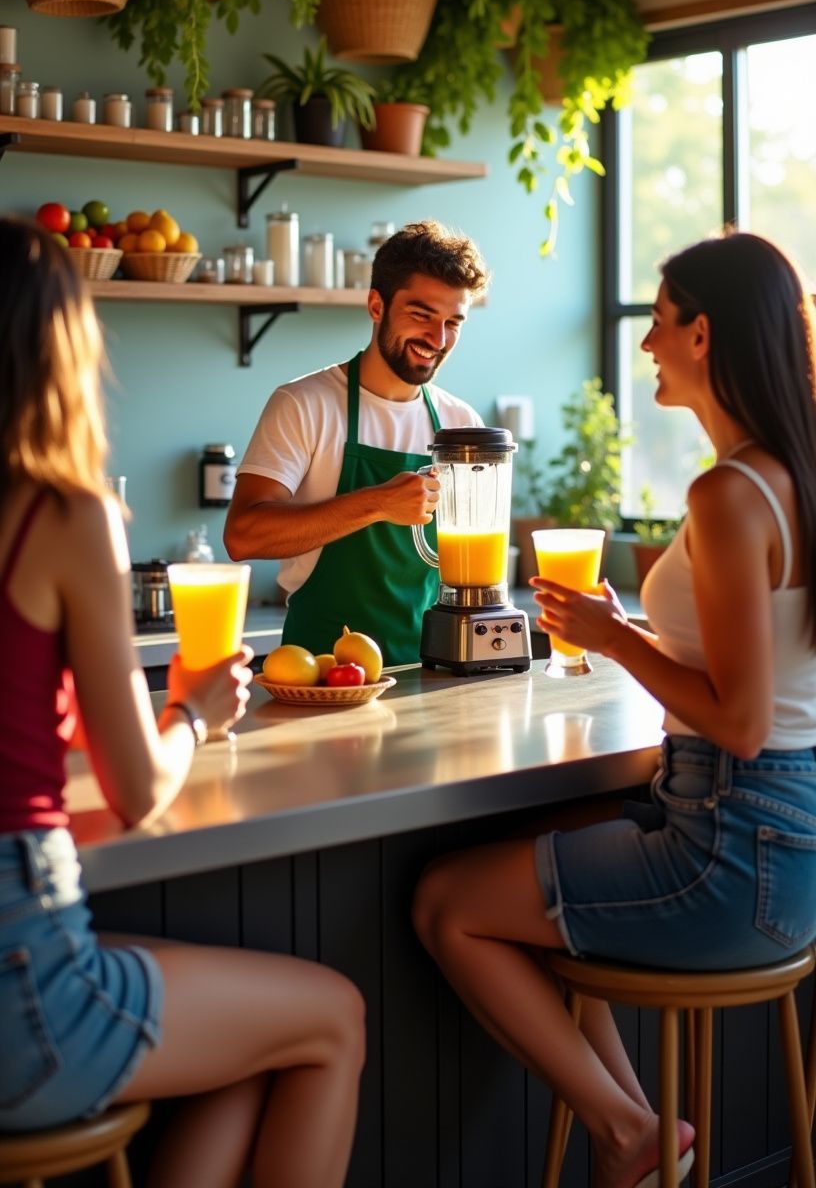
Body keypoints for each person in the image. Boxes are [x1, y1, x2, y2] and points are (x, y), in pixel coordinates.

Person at [412, 232, 816, 1188]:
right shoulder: (793, 474)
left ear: (704, 335)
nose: (646, 345)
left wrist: (616, 637)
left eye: (661, 323)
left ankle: (626, 1130)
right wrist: (632, 632)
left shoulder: (729, 494)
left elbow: (743, 722)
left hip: (730, 843)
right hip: (789, 848)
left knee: (447, 906)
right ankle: (640, 1126)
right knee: (552, 839)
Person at [0, 219, 365, 1188]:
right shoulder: (60, 513)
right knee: (330, 1020)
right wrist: (197, 711)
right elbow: (136, 793)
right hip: (19, 986)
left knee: (235, 1061)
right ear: (59, 349)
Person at [224, 219, 490, 666]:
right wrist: (378, 504)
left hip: (430, 674)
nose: (437, 339)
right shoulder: (303, 404)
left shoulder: (460, 424)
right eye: (421, 315)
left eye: (453, 323)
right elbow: (242, 536)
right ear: (375, 305)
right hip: (319, 676)